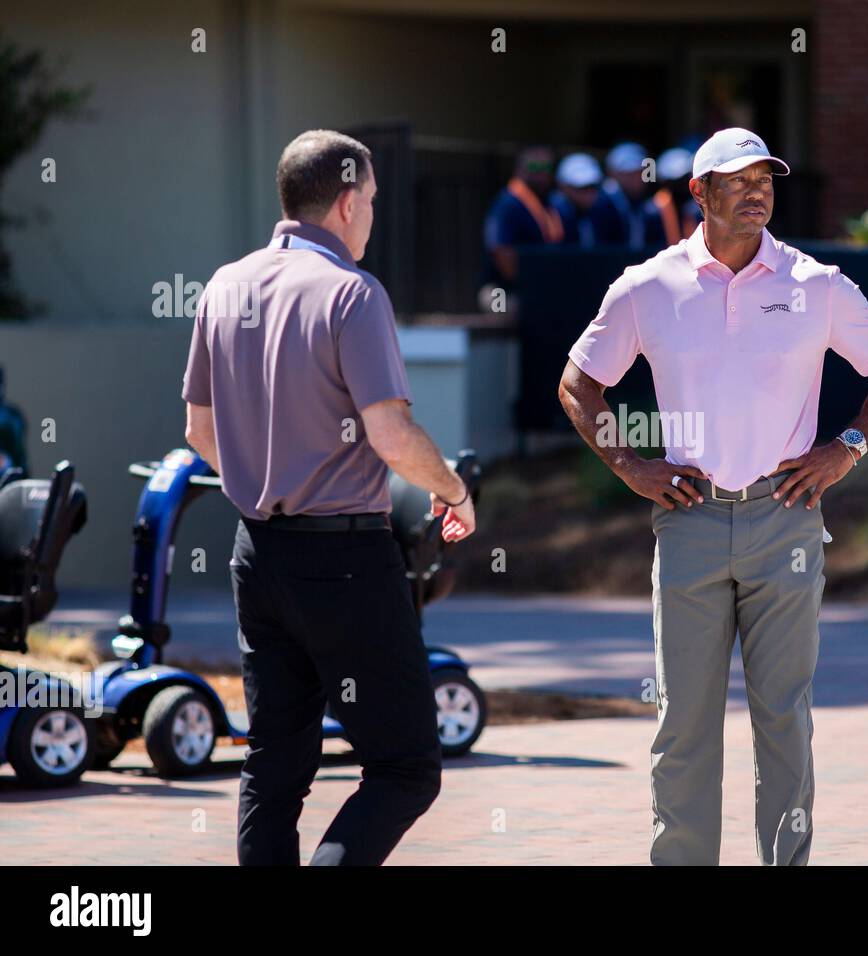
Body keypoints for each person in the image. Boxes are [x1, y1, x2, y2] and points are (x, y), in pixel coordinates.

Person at [558, 127, 868, 865]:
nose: (757, 191)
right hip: (687, 520)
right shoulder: (648, 286)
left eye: (766, 179)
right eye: (739, 179)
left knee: (784, 721)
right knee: (683, 723)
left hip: (786, 521)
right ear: (700, 192)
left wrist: (845, 451)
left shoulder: (817, 284)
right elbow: (579, 383)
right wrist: (632, 467)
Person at [182, 129, 477, 866]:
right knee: (406, 767)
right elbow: (392, 435)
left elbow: (198, 430)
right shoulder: (352, 293)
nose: (372, 216)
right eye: (371, 200)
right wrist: (453, 490)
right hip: (345, 559)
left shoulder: (224, 285)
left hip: (258, 553)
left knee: (275, 767)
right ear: (347, 203)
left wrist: (265, 478)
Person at [480, 146, 562, 310]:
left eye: (545, 168)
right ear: (519, 170)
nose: (540, 174)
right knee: (504, 310)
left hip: (537, 289)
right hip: (500, 289)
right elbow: (500, 251)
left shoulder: (550, 203)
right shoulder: (507, 204)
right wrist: (528, 284)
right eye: (533, 167)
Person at [591, 141, 663, 251]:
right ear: (613, 173)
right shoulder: (602, 204)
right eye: (627, 173)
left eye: (639, 172)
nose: (634, 179)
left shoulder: (652, 205)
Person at [551, 152, 606, 247]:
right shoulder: (553, 215)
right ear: (563, 186)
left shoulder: (604, 213)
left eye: (592, 187)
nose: (588, 194)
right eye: (580, 188)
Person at [650, 147, 700, 245]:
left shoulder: (699, 212)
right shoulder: (652, 213)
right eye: (675, 182)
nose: (681, 187)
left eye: (684, 180)